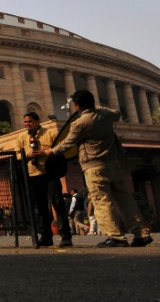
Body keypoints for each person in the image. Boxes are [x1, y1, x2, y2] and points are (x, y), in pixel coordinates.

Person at [43, 89, 153, 248]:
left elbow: (67, 144)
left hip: (94, 166)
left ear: (77, 105)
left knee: (102, 201)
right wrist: (97, 106)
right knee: (126, 200)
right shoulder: (106, 115)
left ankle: (116, 237)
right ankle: (141, 234)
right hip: (113, 163)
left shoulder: (79, 123)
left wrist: (50, 151)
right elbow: (116, 112)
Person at [14, 112, 73, 247]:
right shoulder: (21, 138)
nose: (27, 124)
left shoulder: (50, 133)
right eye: (25, 122)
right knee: (39, 208)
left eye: (29, 121)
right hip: (32, 176)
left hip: (49, 174)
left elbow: (60, 148)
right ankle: (46, 236)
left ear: (37, 121)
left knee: (58, 204)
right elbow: (17, 155)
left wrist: (46, 152)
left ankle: (65, 236)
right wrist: (26, 155)